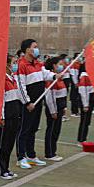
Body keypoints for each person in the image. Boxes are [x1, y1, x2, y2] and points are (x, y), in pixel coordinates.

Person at [16, 39, 60, 169]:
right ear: (27, 50)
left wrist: (54, 76)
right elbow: (20, 86)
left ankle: (31, 155)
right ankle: (21, 157)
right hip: (29, 104)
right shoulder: (21, 65)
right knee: (24, 129)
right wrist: (27, 102)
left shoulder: (38, 63)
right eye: (34, 47)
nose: (37, 49)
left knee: (33, 128)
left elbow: (45, 74)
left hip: (38, 101)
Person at [0, 54, 23, 180]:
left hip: (14, 114)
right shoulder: (1, 80)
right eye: (14, 62)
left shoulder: (13, 78)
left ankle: (6, 168)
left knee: (10, 142)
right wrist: (1, 116)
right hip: (5, 116)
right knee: (2, 143)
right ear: (6, 64)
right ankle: (0, 169)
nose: (16, 65)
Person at [43, 56, 67, 162]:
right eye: (59, 64)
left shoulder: (60, 78)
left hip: (60, 107)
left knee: (56, 130)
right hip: (54, 108)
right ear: (54, 65)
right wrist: (53, 111)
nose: (61, 66)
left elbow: (63, 93)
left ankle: (53, 151)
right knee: (52, 130)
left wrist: (64, 107)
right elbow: (49, 97)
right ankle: (49, 153)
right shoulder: (51, 79)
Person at [77, 62, 94, 143]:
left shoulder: (91, 75)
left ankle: (84, 138)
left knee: (87, 120)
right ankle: (81, 139)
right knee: (84, 120)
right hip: (87, 100)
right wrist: (85, 104)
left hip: (91, 98)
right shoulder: (84, 76)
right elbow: (83, 91)